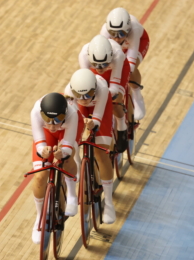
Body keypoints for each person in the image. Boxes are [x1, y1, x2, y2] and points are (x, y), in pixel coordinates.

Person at [30, 92, 84, 244]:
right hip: (45, 133)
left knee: (67, 158)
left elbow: (67, 147)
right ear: (42, 115)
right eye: (48, 120)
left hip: (70, 128)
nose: (53, 125)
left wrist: (63, 153)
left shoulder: (72, 114)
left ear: (64, 114)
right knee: (40, 175)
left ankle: (72, 195)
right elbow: (39, 145)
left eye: (57, 120)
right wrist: (44, 151)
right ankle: (39, 218)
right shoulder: (35, 113)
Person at [64, 69, 117, 224]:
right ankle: (80, 167)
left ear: (94, 89)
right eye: (80, 96)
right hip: (79, 112)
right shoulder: (69, 93)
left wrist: (92, 123)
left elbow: (98, 118)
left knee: (100, 152)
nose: (84, 99)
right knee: (73, 142)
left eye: (88, 95)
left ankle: (108, 203)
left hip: (100, 109)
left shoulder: (102, 88)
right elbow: (71, 123)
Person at [79, 34, 131, 153]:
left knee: (115, 101)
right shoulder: (83, 56)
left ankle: (122, 126)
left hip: (119, 70)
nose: (100, 67)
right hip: (98, 74)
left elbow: (113, 88)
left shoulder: (118, 55)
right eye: (96, 64)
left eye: (104, 64)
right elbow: (87, 82)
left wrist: (103, 98)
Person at [100, 7, 150, 121]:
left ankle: (137, 95)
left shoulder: (135, 30)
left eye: (121, 33)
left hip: (138, 42)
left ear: (128, 29)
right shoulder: (105, 32)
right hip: (119, 49)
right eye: (113, 33)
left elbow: (130, 64)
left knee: (130, 69)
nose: (117, 38)